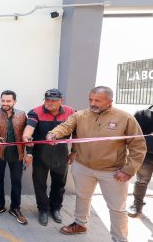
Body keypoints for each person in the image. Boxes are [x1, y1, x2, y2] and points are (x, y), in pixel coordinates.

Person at [47, 86, 146, 242]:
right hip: (83, 167)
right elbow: (65, 127)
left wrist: (128, 170)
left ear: (109, 101)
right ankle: (80, 224)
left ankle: (120, 238)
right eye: (90, 99)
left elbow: (138, 146)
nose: (92, 103)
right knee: (82, 197)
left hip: (112, 172)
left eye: (97, 100)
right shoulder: (80, 115)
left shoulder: (125, 118)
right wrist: (53, 134)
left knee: (116, 208)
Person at [22, 88, 76, 226]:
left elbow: (77, 132)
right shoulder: (36, 112)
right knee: (39, 184)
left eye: (53, 100)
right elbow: (30, 128)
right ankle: (43, 210)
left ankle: (55, 208)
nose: (49, 103)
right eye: (47, 100)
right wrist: (26, 137)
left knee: (59, 184)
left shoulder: (71, 112)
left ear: (61, 101)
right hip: (40, 155)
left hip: (61, 154)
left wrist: (74, 151)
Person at [0, 90, 29, 224]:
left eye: (8, 101)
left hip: (17, 153)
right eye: (3, 100)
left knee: (16, 181)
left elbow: (27, 133)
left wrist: (29, 153)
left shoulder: (22, 115)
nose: (5, 103)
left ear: (14, 102)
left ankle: (15, 207)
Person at [127, 105, 153, 218]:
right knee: (142, 181)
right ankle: (137, 204)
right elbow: (131, 134)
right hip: (145, 155)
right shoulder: (142, 114)